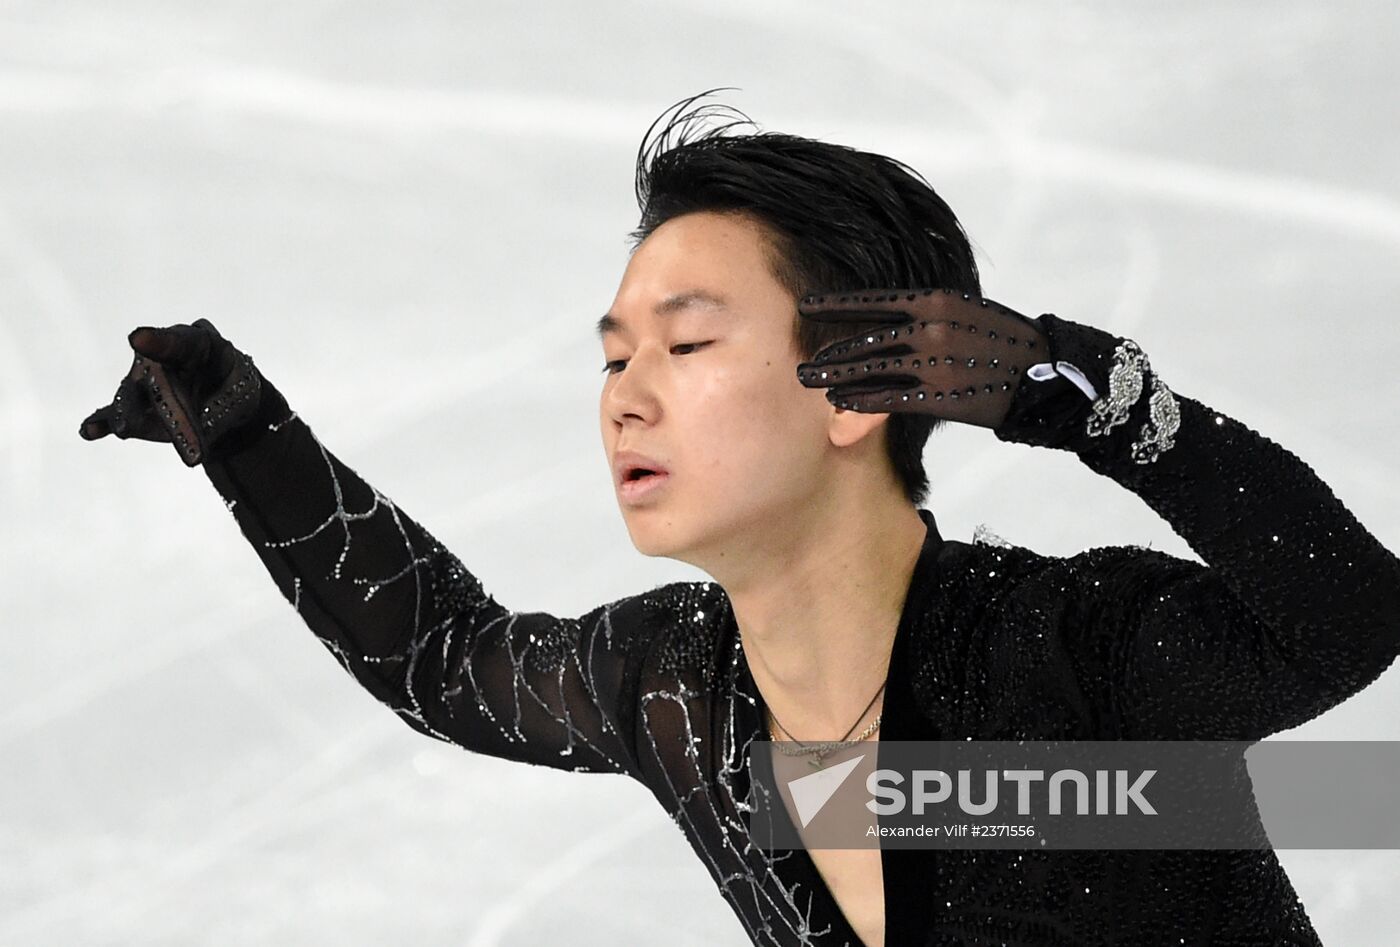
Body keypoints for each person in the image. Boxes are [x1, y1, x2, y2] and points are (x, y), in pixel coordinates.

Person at [78, 90, 1400, 946]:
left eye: (687, 344)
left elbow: (1346, 619)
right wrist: (250, 438)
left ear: (855, 394)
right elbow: (445, 659)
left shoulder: (1066, 654)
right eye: (613, 357)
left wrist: (1105, 405)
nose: (624, 402)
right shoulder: (683, 689)